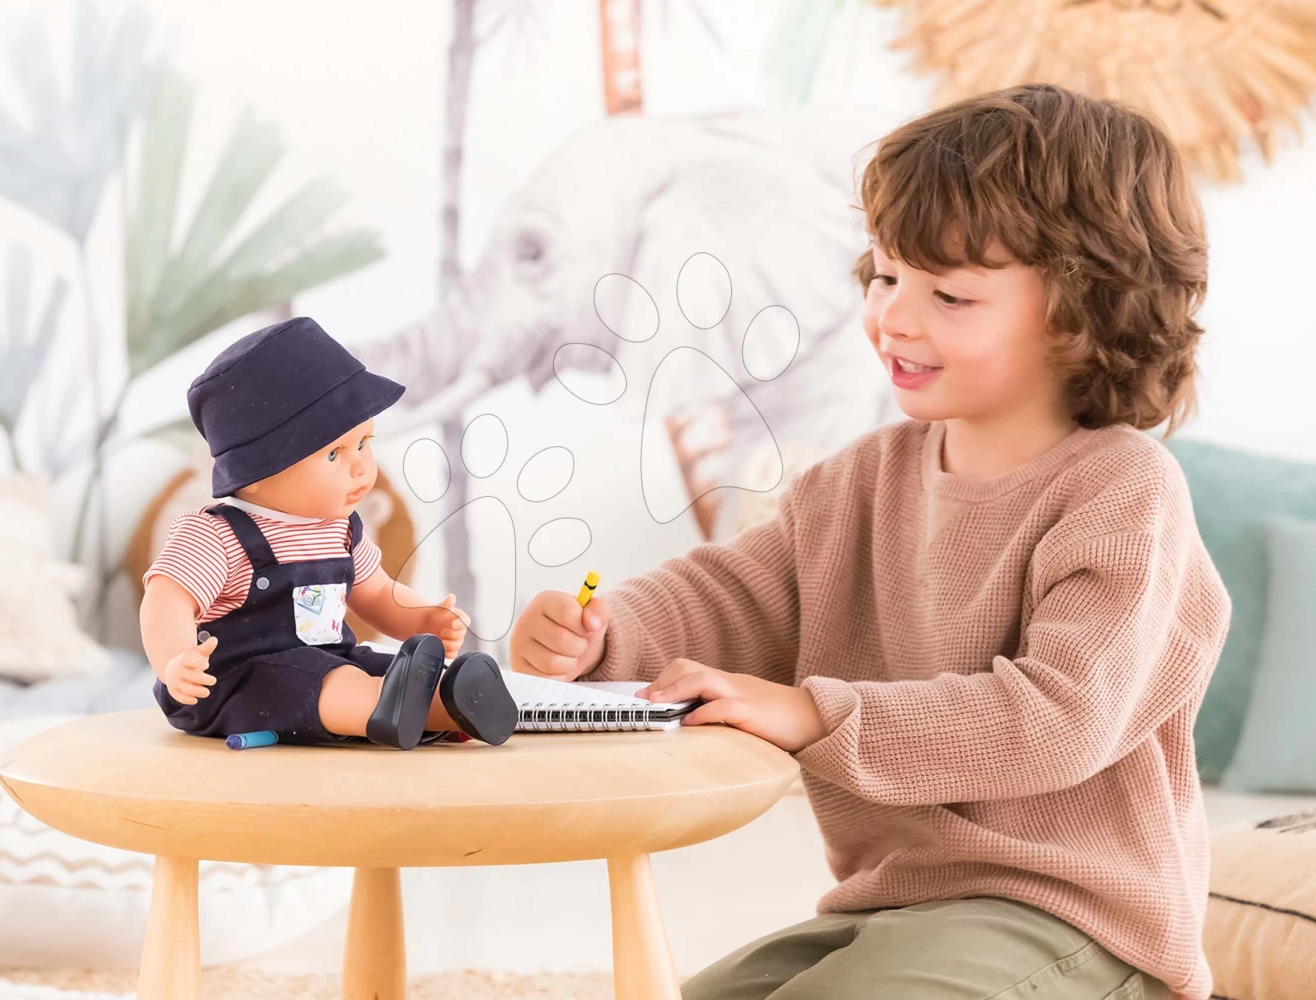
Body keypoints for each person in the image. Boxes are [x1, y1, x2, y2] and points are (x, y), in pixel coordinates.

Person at [510, 84, 1228, 999]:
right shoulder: (858, 481)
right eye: (885, 277)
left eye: (950, 295)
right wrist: (605, 634)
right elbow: (736, 597)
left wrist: (815, 715)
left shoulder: (1124, 492)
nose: (895, 318)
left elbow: (1057, 720)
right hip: (896, 905)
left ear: (1085, 310)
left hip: (1078, 925)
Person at [141, 316, 518, 750]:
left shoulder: (341, 531)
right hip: (236, 683)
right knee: (326, 682)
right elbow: (166, 600)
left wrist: (422, 618)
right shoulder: (216, 534)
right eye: (335, 454)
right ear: (256, 473)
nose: (361, 466)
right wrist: (176, 661)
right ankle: (386, 708)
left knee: (376, 667)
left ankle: (448, 705)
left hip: (329, 661)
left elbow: (378, 594)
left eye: (364, 443)